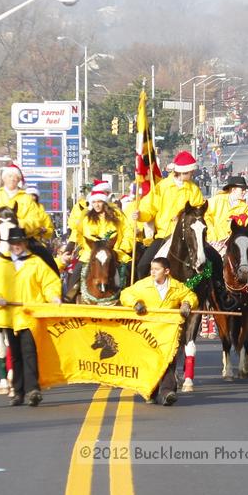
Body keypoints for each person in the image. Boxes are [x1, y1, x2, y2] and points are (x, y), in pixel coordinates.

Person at [0, 227, 62, 406]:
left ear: (25, 243)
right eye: (13, 243)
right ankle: (18, 391)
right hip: (8, 315)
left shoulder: (36, 262)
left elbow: (49, 282)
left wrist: (53, 296)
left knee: (29, 352)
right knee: (15, 354)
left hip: (29, 315)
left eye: (20, 243)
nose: (17, 246)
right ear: (9, 245)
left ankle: (33, 389)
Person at [120, 257, 198, 405]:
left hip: (169, 332)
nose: (152, 272)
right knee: (151, 362)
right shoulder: (143, 285)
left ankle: (168, 391)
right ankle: (152, 391)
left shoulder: (176, 286)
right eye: (151, 269)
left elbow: (191, 295)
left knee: (169, 360)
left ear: (167, 271)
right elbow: (125, 294)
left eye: (156, 269)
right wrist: (135, 303)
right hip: (149, 332)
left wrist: (187, 303)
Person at [134, 150, 205, 279]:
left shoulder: (194, 190)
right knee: (142, 266)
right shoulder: (161, 187)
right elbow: (149, 209)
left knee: (214, 260)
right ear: (183, 172)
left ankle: (218, 294)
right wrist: (140, 215)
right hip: (164, 236)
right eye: (190, 172)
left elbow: (199, 213)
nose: (192, 175)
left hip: (189, 235)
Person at [65, 187, 127, 301]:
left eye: (99, 202)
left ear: (104, 202)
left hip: (115, 251)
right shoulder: (87, 218)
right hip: (90, 252)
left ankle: (132, 296)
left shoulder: (117, 216)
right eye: (94, 202)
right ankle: (70, 296)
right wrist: (71, 246)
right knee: (76, 272)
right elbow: (78, 233)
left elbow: (128, 231)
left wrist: (123, 249)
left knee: (131, 268)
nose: (97, 205)